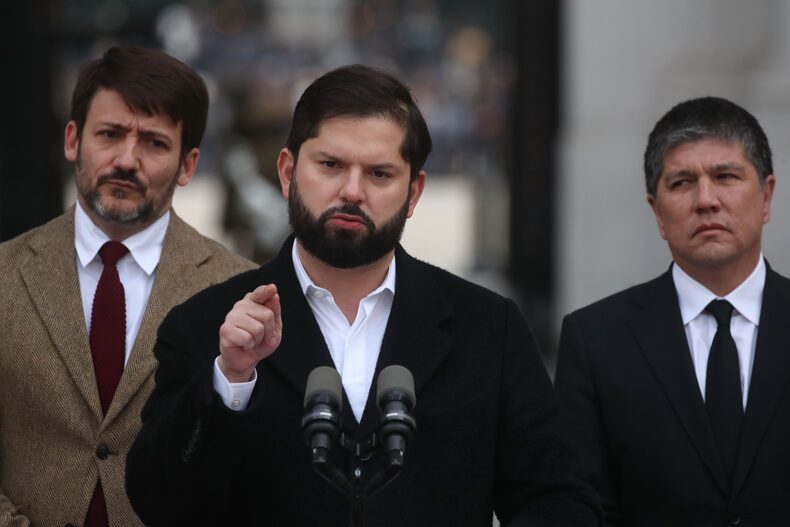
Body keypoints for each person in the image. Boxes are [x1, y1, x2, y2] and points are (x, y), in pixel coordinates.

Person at [126, 64, 600, 526]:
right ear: (288, 172)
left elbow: (559, 499)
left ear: (414, 192)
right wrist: (229, 380)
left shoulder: (488, 326)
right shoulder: (206, 325)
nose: (351, 191)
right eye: (330, 165)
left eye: (379, 174)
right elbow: (160, 505)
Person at [0, 45, 255, 527]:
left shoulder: (237, 291)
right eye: (110, 134)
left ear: (187, 165)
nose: (126, 159)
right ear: (73, 139)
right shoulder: (4, 276)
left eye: (155, 143)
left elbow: (249, 470)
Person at [555, 96, 789, 526]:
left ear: (767, 195)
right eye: (682, 182)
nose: (706, 200)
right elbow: (577, 505)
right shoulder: (597, 340)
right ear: (657, 211)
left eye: (726, 176)